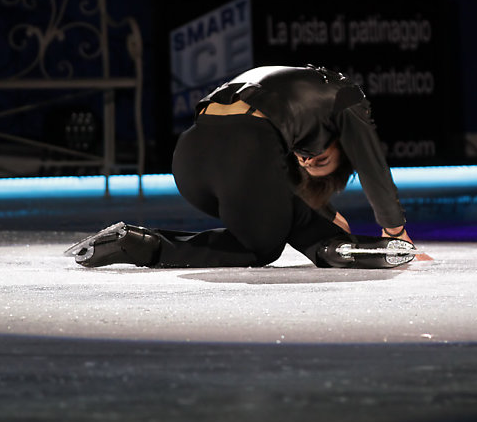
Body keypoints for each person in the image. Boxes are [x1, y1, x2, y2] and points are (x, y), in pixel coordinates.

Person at [67, 64, 415, 269]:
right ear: (341, 144)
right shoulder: (347, 98)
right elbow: (371, 165)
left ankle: (333, 245)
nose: (308, 160)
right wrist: (395, 230)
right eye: (316, 159)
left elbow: (274, 175)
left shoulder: (293, 88)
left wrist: (319, 211)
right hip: (240, 155)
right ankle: (144, 245)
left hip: (189, 159)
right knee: (264, 247)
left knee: (277, 224)